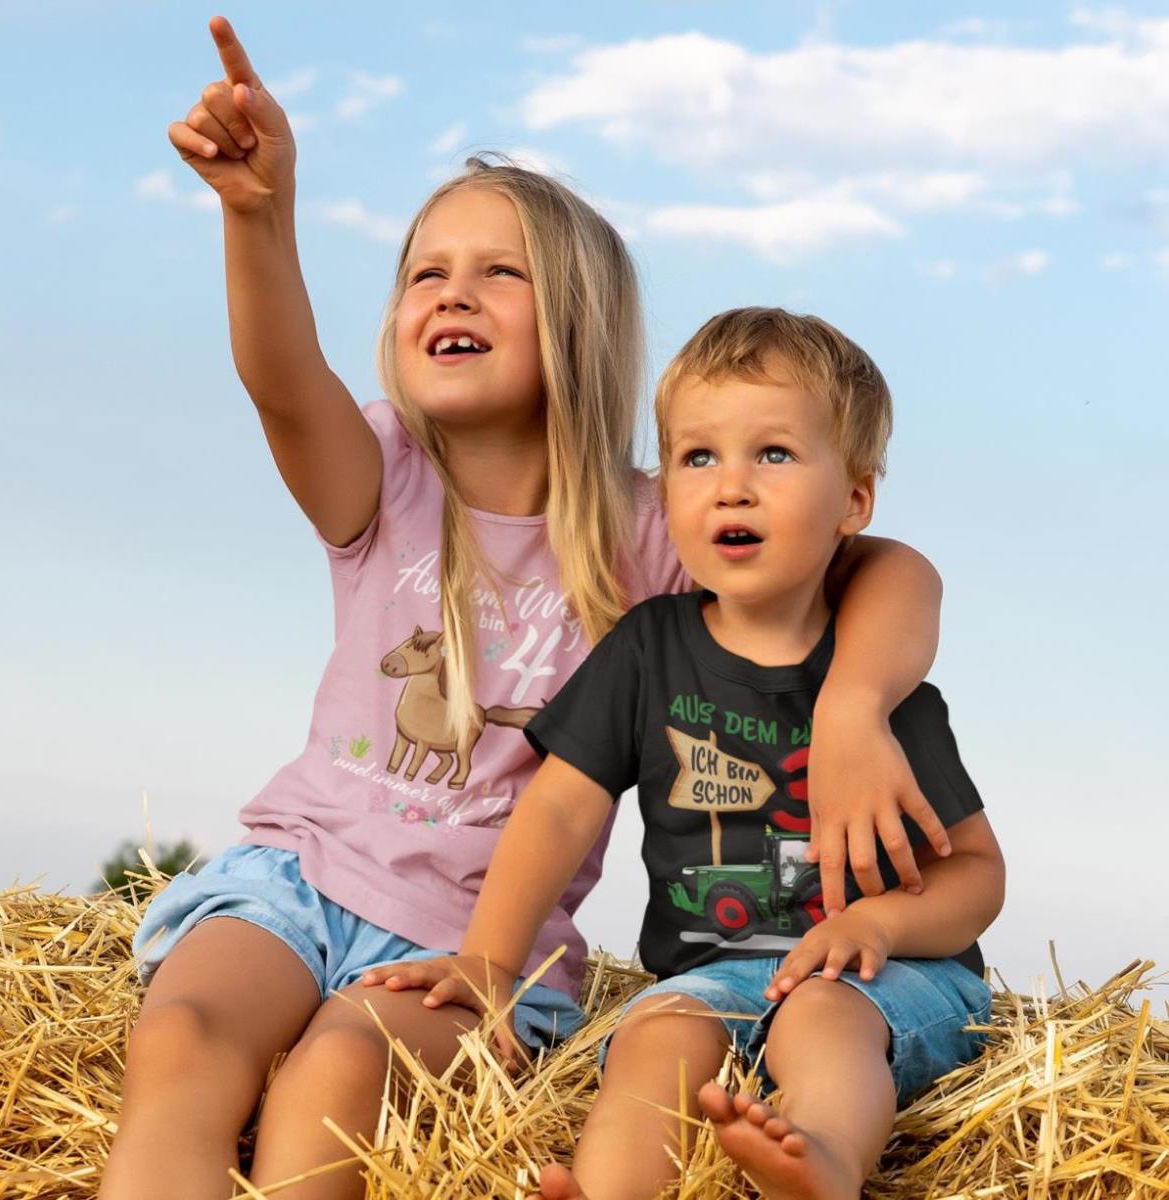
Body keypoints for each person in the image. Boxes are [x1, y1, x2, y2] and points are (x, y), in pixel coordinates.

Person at [100, 16, 953, 1200]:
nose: (451, 292)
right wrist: (258, 214)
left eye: (498, 271)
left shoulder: (662, 525)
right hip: (296, 876)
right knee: (182, 1040)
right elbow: (279, 379)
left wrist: (856, 706)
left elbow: (890, 567)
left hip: (481, 948)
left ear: (577, 324)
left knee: (338, 1077)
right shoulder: (381, 473)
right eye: (424, 273)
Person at [371, 308, 1005, 1200]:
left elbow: (976, 872)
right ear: (663, 489)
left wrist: (878, 924)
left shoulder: (883, 695)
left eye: (773, 454)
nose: (731, 487)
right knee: (655, 1034)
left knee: (818, 1020)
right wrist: (488, 958)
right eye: (696, 457)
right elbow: (557, 807)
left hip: (885, 977)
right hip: (708, 976)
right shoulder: (647, 648)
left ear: (854, 501)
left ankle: (819, 1160)